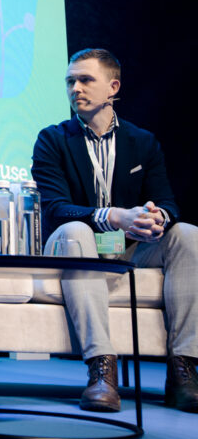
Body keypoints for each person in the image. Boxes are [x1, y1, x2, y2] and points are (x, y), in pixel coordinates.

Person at [32, 48, 198, 413]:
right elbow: (57, 209)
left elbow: (168, 202)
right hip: (73, 244)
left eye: (85, 80)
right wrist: (115, 216)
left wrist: (157, 217)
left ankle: (184, 369)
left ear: (113, 87)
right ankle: (101, 369)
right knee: (77, 230)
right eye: (70, 81)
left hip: (132, 248)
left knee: (187, 234)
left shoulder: (143, 141)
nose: (75, 88)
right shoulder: (52, 139)